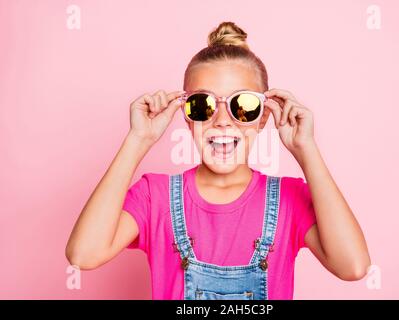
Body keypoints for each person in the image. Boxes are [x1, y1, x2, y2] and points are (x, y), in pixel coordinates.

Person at [66, 21, 370, 300]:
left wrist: (306, 151)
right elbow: (83, 254)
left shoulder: (289, 200)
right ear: (186, 116)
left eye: (243, 105)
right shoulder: (154, 197)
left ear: (264, 116)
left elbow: (353, 267)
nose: (223, 121)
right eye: (203, 105)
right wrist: (138, 140)